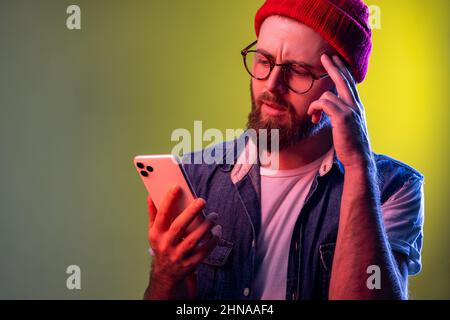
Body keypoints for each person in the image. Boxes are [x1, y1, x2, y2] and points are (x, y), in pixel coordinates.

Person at [143, 0, 424, 300]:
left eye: (299, 70)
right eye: (263, 61)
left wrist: (358, 166)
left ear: (344, 87)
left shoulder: (394, 188)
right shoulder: (195, 177)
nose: (272, 85)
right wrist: (165, 274)